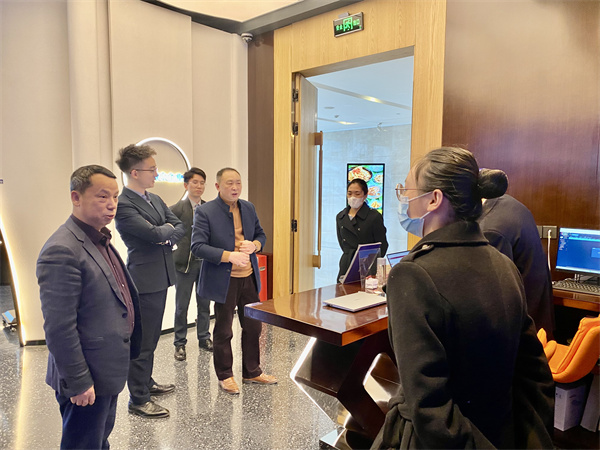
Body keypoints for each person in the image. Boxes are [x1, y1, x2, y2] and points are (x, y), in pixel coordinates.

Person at [373, 147, 554, 449]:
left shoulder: (412, 275)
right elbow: (534, 374)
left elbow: (429, 408)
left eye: (407, 190)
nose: (403, 199)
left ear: (434, 199)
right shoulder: (504, 265)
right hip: (502, 433)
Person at [37, 165, 142, 449]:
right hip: (87, 376)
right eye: (102, 196)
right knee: (82, 444)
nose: (112, 204)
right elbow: (59, 327)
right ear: (76, 197)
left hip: (105, 369)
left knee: (98, 440)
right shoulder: (62, 249)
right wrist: (79, 381)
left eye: (115, 197)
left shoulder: (98, 239)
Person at [190, 167, 276, 395]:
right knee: (224, 329)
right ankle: (225, 375)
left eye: (238, 182)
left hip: (249, 277)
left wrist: (255, 245)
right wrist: (229, 256)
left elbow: (261, 234)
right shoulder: (205, 211)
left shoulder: (248, 207)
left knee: (253, 326)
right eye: (229, 183)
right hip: (224, 280)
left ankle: (252, 371)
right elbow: (197, 247)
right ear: (218, 186)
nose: (235, 187)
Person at [115, 144, 185, 418]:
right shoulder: (124, 204)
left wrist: (163, 232)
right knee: (143, 340)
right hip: (143, 280)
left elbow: (178, 225)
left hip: (161, 275)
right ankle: (138, 398)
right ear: (135, 172)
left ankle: (146, 382)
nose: (156, 173)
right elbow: (154, 234)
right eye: (152, 169)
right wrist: (164, 232)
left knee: (153, 336)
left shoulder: (154, 199)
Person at [477, 172, 555, 336]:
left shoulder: (491, 229)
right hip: (538, 321)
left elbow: (492, 295)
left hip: (519, 332)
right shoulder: (510, 204)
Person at [170, 167, 213, 361]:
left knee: (204, 304)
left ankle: (204, 337)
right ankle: (179, 343)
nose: (199, 186)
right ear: (186, 185)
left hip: (205, 265)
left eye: (202, 183)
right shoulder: (176, 209)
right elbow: (167, 232)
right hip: (183, 265)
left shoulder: (209, 209)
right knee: (182, 306)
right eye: (195, 182)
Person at [336, 178, 388, 282]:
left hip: (367, 265)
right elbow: (342, 243)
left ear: (365, 195)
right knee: (343, 290)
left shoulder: (374, 216)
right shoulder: (341, 216)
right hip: (346, 263)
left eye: (357, 193)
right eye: (349, 193)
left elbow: (382, 245)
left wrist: (371, 265)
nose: (353, 197)